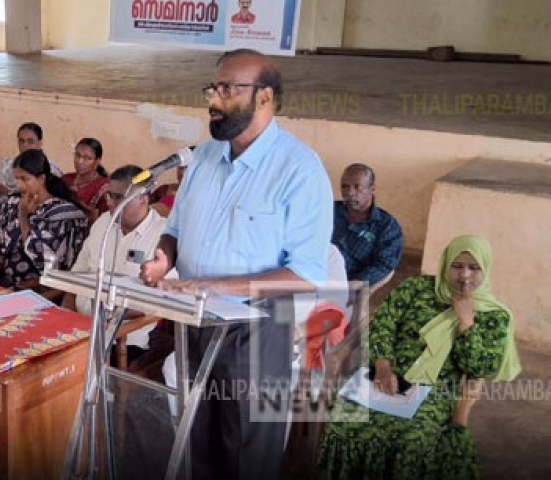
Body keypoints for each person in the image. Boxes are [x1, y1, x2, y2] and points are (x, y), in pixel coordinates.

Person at [139, 49, 333, 480]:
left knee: (248, 455)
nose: (215, 99)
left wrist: (212, 285)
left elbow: (304, 274)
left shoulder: (299, 169)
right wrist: (163, 257)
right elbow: (175, 227)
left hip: (257, 332)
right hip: (195, 322)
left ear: (265, 97)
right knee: (197, 442)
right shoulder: (205, 157)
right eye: (214, 88)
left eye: (228, 89)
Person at [319, 235, 520, 480]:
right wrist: (383, 367)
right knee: (345, 420)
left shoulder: (494, 316)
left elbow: (480, 367)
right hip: (386, 374)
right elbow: (384, 324)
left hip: (436, 389)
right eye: (457, 266)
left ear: (485, 270)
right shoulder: (416, 288)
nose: (464, 275)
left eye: (474, 268)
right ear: (446, 265)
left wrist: (466, 321)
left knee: (412, 437)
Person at [65, 165, 169, 360]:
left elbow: (161, 300)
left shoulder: (163, 236)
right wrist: (67, 315)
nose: (111, 203)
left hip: (124, 338)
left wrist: (109, 318)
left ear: (143, 198)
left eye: (119, 198)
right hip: (80, 329)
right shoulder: (103, 223)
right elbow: (76, 275)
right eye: (109, 196)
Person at [0, 149, 88, 290]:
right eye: (16, 179)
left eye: (25, 179)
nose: (20, 185)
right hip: (5, 282)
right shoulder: (11, 202)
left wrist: (23, 215)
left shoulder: (61, 214)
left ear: (41, 178)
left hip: (39, 286)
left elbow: (43, 259)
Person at [332, 163, 404, 287]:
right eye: (344, 186)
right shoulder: (329, 210)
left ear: (372, 188)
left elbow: (384, 264)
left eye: (357, 187)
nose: (350, 192)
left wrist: (358, 282)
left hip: (349, 283)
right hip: (316, 275)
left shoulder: (386, 226)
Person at [0, 122, 63, 196]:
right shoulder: (6, 164)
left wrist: (11, 193)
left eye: (30, 141)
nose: (25, 145)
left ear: (40, 142)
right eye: (21, 141)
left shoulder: (50, 168)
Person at [62, 137, 109, 220]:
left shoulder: (104, 188)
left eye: (87, 158)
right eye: (78, 155)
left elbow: (104, 219)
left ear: (97, 161)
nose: (80, 161)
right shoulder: (65, 179)